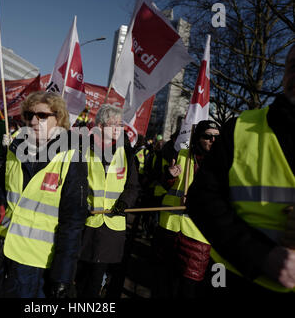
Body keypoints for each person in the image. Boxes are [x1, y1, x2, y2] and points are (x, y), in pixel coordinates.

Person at [186, 44, 295, 296]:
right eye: (293, 66)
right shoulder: (240, 129)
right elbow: (201, 199)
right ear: (284, 75)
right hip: (236, 282)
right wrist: (261, 256)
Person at [0, 91, 88, 298]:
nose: (33, 121)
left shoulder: (72, 158)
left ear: (59, 119)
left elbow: (72, 223)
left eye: (42, 115)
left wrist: (64, 276)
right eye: (29, 115)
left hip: (35, 264)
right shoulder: (14, 148)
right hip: (1, 252)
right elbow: (1, 186)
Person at [75, 104, 140, 298]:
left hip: (112, 226)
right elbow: (75, 182)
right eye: (114, 125)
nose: (119, 129)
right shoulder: (84, 149)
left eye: (120, 125)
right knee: (79, 276)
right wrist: (80, 204)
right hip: (86, 224)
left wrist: (124, 204)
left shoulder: (127, 153)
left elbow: (133, 187)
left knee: (96, 279)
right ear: (101, 127)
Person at [152, 120, 220, 298]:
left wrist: (199, 201)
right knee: (162, 286)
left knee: (188, 290)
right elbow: (158, 190)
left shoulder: (224, 165)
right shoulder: (181, 155)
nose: (213, 140)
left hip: (198, 238)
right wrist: (168, 176)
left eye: (216, 137)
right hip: (169, 230)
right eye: (208, 136)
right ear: (198, 138)